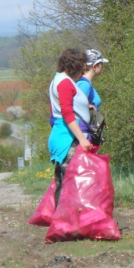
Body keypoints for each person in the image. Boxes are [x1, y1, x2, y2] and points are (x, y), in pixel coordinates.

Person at [48, 49, 94, 206]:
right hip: (67, 139)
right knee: (71, 184)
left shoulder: (58, 79)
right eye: (81, 66)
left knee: (63, 183)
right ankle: (67, 224)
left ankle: (62, 223)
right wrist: (82, 138)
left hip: (61, 135)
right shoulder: (65, 83)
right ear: (75, 66)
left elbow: (56, 108)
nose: (82, 71)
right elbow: (66, 112)